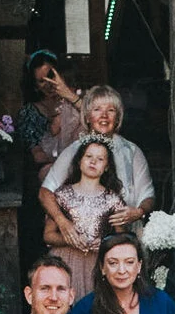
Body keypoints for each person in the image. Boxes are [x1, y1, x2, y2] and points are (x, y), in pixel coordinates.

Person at [38, 86, 154, 221]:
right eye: (97, 109)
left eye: (110, 110)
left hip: (123, 230)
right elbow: (45, 192)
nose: (104, 116)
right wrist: (64, 224)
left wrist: (139, 212)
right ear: (87, 117)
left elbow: (148, 195)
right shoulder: (75, 149)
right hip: (82, 232)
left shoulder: (131, 151)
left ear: (117, 118)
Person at [38, 134, 122, 297]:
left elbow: (121, 237)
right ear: (79, 161)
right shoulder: (62, 195)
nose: (93, 161)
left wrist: (104, 244)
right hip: (66, 259)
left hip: (96, 262)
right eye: (88, 156)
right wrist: (70, 240)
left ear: (106, 167)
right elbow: (48, 236)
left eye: (100, 159)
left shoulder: (113, 199)